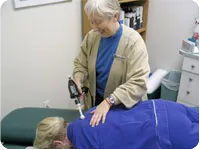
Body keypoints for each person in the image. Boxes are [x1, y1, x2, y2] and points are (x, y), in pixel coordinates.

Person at [73, 0, 150, 127]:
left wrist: (109, 101)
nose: (93, 27)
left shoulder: (134, 42)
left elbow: (138, 82)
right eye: (91, 21)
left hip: (123, 105)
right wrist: (78, 78)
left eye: (98, 22)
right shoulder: (92, 37)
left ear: (115, 16)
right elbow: (81, 63)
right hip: (96, 101)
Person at [33, 99, 200, 150]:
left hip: (168, 132)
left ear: (58, 143)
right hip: (164, 106)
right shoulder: (91, 113)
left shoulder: (86, 145)